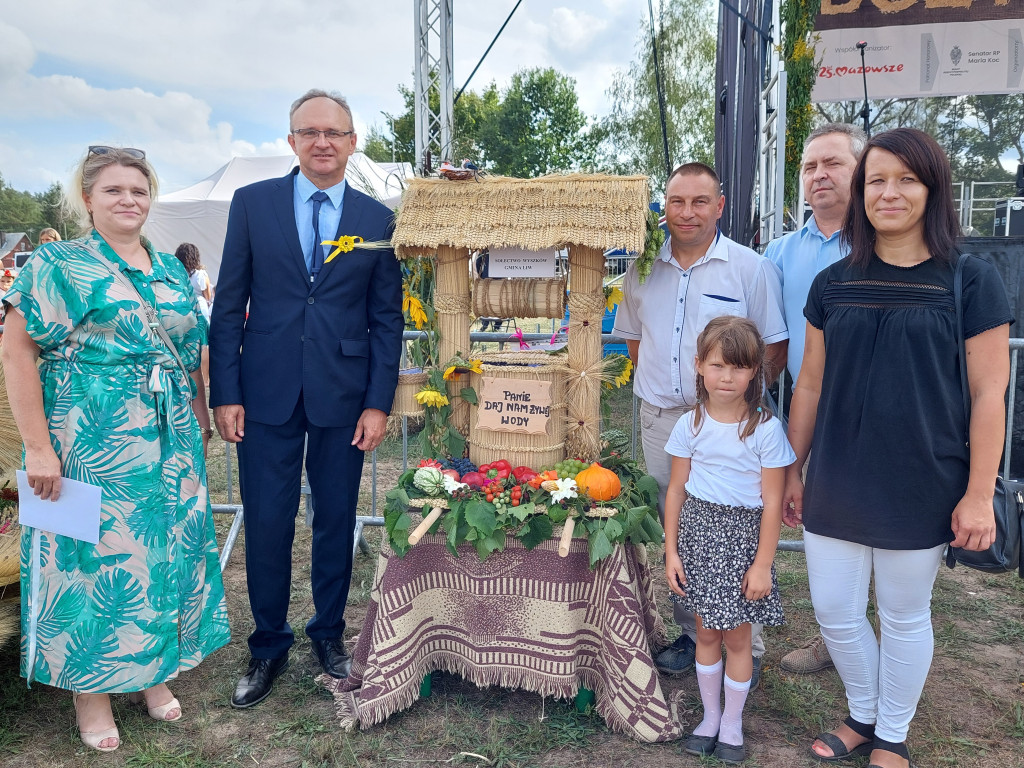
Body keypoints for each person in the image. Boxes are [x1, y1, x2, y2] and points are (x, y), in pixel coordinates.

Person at [785, 128, 1011, 768]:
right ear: (861, 193)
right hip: (837, 476)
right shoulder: (832, 283)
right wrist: (793, 470)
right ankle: (863, 711)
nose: (890, 192)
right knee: (834, 610)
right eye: (877, 180)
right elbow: (809, 384)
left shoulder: (969, 279)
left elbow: (990, 395)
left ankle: (891, 733)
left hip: (922, 478)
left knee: (905, 616)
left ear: (932, 189)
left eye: (906, 179)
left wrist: (976, 496)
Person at [1, 146, 228, 752]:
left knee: (162, 555)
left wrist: (200, 419)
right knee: (89, 561)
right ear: (87, 199)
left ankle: (152, 673)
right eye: (114, 191)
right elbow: (17, 351)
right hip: (87, 437)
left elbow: (189, 353)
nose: (129, 200)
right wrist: (38, 448)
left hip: (171, 435)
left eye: (139, 190)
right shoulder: (57, 264)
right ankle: (90, 693)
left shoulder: (170, 269)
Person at [210, 89, 403, 709]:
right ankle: (267, 644)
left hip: (344, 397)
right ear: (290, 140)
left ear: (353, 142)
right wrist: (225, 391)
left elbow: (386, 318)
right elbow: (228, 303)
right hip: (262, 393)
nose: (323, 142)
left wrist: (378, 403)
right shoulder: (252, 204)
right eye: (310, 131)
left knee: (336, 519)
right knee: (267, 522)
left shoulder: (377, 218)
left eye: (335, 132)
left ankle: (329, 634)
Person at [614, 162, 787, 685]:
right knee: (684, 525)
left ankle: (743, 642)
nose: (686, 213)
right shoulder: (640, 270)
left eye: (698, 202)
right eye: (676, 202)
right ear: (663, 207)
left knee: (737, 524)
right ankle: (694, 634)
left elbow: (773, 346)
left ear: (720, 205)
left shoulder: (750, 269)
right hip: (664, 419)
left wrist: (740, 411)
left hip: (733, 426)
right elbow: (635, 342)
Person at [664, 315, 794, 763]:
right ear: (699, 366)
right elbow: (677, 490)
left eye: (738, 368)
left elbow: (773, 504)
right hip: (698, 537)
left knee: (737, 637)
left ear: (754, 372)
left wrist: (762, 564)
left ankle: (733, 723)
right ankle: (710, 716)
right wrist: (671, 551)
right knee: (704, 631)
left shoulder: (765, 430)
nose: (727, 377)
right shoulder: (690, 425)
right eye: (717, 366)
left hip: (741, 543)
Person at [764, 122, 866, 676]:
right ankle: (835, 634)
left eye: (833, 164)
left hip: (871, 415)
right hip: (804, 409)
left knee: (864, 531)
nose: (819, 176)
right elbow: (770, 338)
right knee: (820, 526)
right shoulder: (776, 255)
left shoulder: (884, 246)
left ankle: (854, 632)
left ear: (860, 169)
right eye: (809, 167)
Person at [175, 243, 214, 386]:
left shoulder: (177, 273)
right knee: (204, 345)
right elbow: (208, 296)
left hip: (185, 309)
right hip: (201, 309)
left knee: (188, 343)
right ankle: (205, 379)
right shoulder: (201, 274)